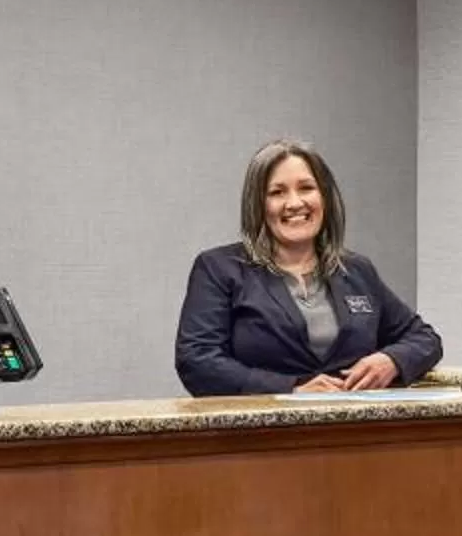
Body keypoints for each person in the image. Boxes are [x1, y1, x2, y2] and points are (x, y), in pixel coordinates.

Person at [175, 140, 443, 396]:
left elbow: (424, 339)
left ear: (324, 196)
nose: (294, 203)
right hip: (259, 435)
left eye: (306, 188)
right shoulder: (219, 268)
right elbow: (198, 361)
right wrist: (290, 390)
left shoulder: (357, 270)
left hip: (352, 432)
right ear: (257, 205)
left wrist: (391, 360)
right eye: (277, 192)